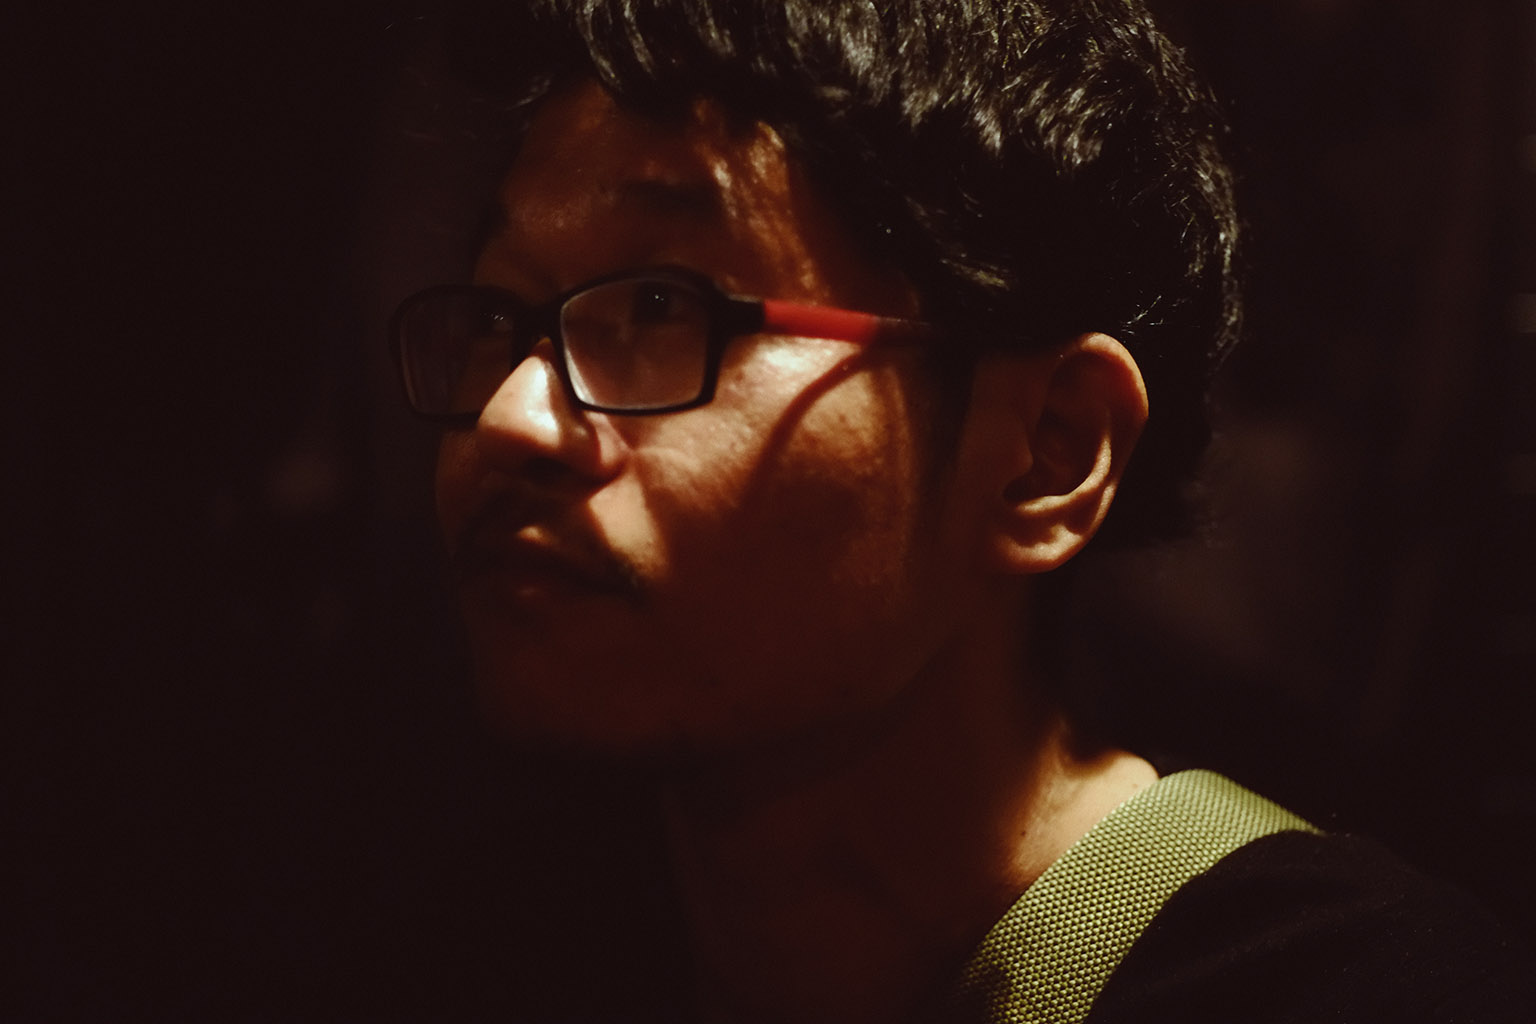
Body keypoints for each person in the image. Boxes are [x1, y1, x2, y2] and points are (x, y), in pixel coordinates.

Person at [388, 1, 1533, 1020]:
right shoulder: (497, 945)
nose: (509, 418)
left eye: (659, 306)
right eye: (499, 314)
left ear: (1049, 452)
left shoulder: (1354, 990)